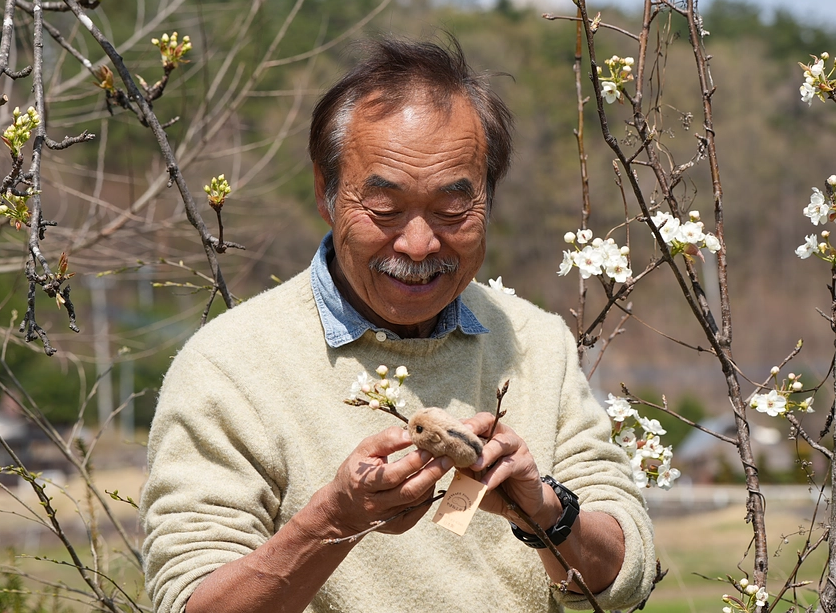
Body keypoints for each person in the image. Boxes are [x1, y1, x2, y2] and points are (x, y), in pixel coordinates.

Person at [140, 37, 657, 613]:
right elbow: (189, 601)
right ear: (326, 193)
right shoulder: (229, 367)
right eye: (384, 208)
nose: (418, 244)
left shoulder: (535, 344)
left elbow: (626, 575)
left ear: (488, 197)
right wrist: (333, 520)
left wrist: (546, 512)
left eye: (451, 208)